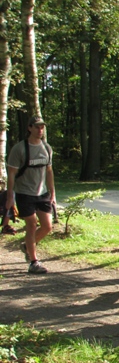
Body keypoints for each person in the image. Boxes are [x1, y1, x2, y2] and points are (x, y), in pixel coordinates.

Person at [6, 116, 55, 274]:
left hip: (42, 193)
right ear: (29, 128)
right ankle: (34, 262)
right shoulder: (19, 149)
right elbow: (12, 174)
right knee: (32, 225)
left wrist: (52, 192)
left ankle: (27, 246)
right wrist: (9, 197)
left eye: (42, 127)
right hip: (24, 193)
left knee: (47, 226)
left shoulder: (46, 148)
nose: (40, 130)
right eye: (37, 127)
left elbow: (49, 171)